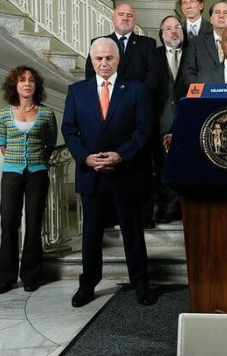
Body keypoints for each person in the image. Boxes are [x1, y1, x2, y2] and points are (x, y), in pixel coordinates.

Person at [62, 37, 155, 307]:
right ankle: (88, 284)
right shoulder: (76, 91)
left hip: (125, 173)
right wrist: (86, 158)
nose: (104, 63)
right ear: (91, 61)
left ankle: (141, 283)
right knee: (91, 234)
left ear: (118, 60)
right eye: (98, 58)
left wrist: (121, 155)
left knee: (132, 232)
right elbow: (69, 130)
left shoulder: (136, 90)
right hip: (91, 174)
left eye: (109, 58)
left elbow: (143, 130)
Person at [85, 3, 161, 229]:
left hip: (139, 113)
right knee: (109, 165)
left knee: (142, 168)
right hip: (108, 114)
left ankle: (144, 216)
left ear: (134, 19)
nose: (125, 18)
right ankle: (110, 217)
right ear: (113, 18)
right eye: (121, 14)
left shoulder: (147, 44)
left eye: (130, 15)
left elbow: (154, 78)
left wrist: (131, 99)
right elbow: (92, 77)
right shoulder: (98, 44)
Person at [0, 66, 57, 294]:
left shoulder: (47, 114)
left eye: (31, 80)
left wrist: (36, 160)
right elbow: (3, 145)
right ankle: (6, 277)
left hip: (38, 173)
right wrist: (18, 160)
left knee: (33, 223)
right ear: (15, 85)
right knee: (9, 223)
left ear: (36, 85)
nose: (27, 83)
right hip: (11, 173)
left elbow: (50, 143)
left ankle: (30, 276)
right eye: (22, 80)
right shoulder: (3, 114)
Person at [154, 15, 187, 223]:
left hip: (188, 119)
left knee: (187, 167)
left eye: (177, 27)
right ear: (162, 34)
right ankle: (167, 208)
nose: (174, 31)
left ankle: (185, 208)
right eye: (168, 28)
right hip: (162, 119)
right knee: (163, 168)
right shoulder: (153, 55)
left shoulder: (194, 54)